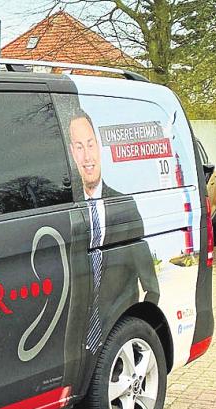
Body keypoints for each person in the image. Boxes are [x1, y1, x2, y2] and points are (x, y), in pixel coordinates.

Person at [66, 111, 158, 353]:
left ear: (99, 146)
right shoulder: (66, 213)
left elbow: (151, 284)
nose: (87, 156)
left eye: (90, 144)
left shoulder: (125, 207)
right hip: (77, 347)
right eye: (79, 147)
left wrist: (139, 330)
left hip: (118, 341)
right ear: (71, 154)